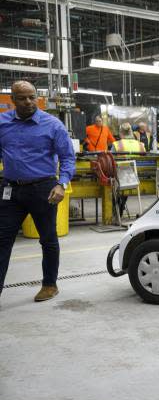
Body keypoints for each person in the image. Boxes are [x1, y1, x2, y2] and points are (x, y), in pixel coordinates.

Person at [0, 81, 75, 302]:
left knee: (48, 239)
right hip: (10, 190)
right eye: (22, 98)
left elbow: (68, 158)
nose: (29, 102)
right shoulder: (2, 123)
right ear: (12, 100)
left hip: (44, 189)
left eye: (32, 97)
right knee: (2, 240)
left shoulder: (53, 125)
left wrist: (62, 184)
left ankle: (50, 285)